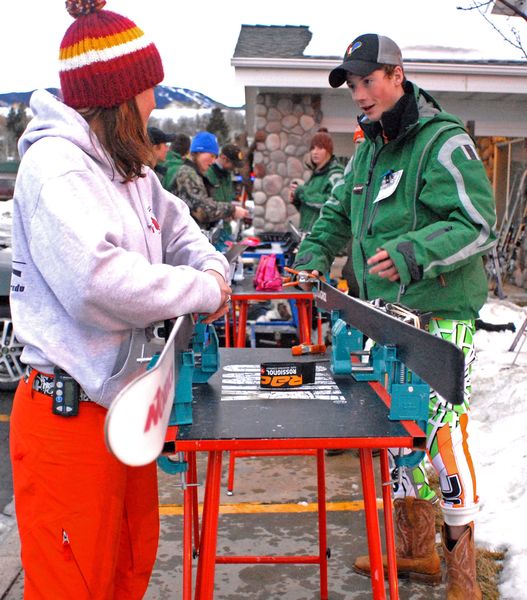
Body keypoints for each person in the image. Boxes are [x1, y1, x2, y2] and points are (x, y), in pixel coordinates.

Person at [9, 2, 231, 598]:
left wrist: (210, 263)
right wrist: (202, 288)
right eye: (147, 90)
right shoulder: (57, 168)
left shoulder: (129, 166)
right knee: (73, 587)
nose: (155, 103)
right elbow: (99, 284)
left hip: (122, 413)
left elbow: (181, 227)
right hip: (69, 418)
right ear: (116, 95)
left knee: (126, 575)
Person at [293, 33, 497, 599]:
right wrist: (311, 257)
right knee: (396, 436)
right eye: (352, 85)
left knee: (442, 439)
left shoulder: (443, 142)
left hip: (441, 315)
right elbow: (337, 214)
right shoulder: (367, 149)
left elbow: (477, 223)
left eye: (367, 81)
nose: (359, 94)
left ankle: (463, 579)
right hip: (383, 318)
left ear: (397, 74)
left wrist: (414, 251)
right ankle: (417, 552)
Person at [172, 131, 248, 232]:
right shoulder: (187, 173)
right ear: (198, 152)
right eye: (211, 156)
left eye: (215, 157)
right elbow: (202, 210)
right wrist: (231, 210)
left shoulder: (195, 173)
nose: (213, 161)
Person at [289, 128, 344, 233]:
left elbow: (334, 204)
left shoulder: (336, 174)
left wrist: (301, 192)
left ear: (329, 150)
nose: (315, 152)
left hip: (323, 237)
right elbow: (308, 209)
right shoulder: (316, 174)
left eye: (320, 148)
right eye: (313, 148)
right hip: (308, 234)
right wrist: (295, 199)